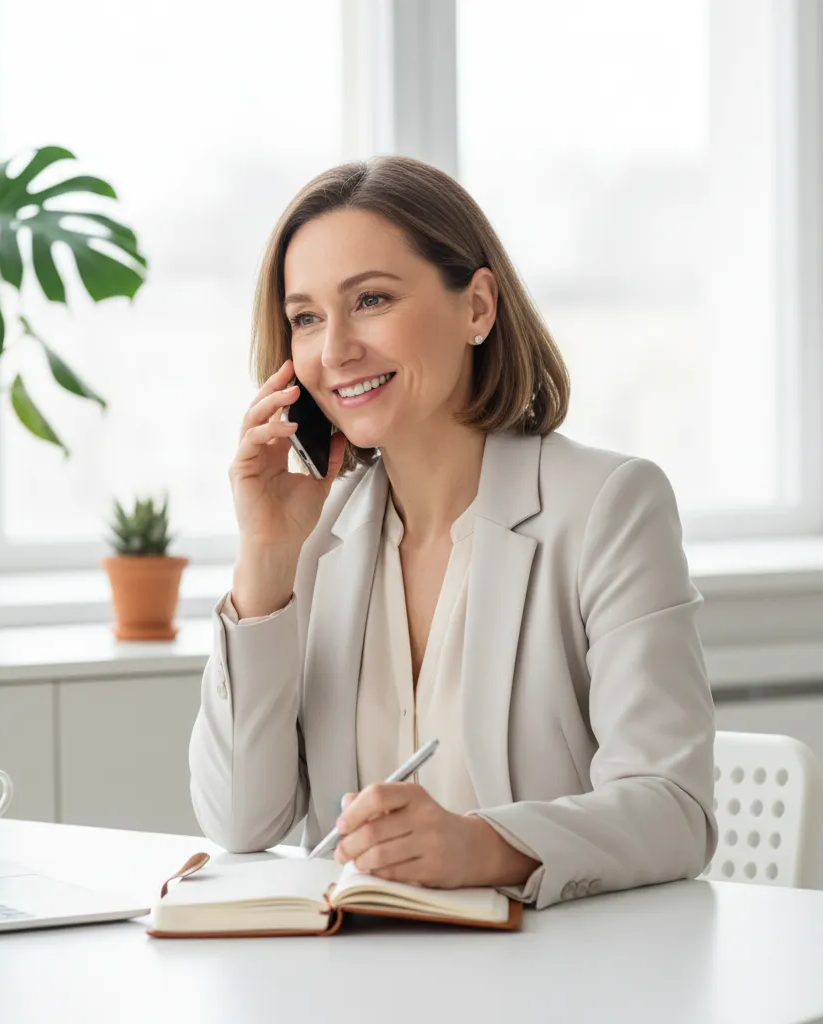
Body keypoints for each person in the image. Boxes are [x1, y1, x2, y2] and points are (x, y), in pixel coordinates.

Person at [189, 154, 717, 909]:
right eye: (306, 318)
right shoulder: (316, 535)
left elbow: (674, 809)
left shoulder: (609, 505)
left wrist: (484, 847)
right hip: (360, 982)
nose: (334, 349)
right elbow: (241, 820)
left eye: (370, 299)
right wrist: (266, 559)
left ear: (477, 307)